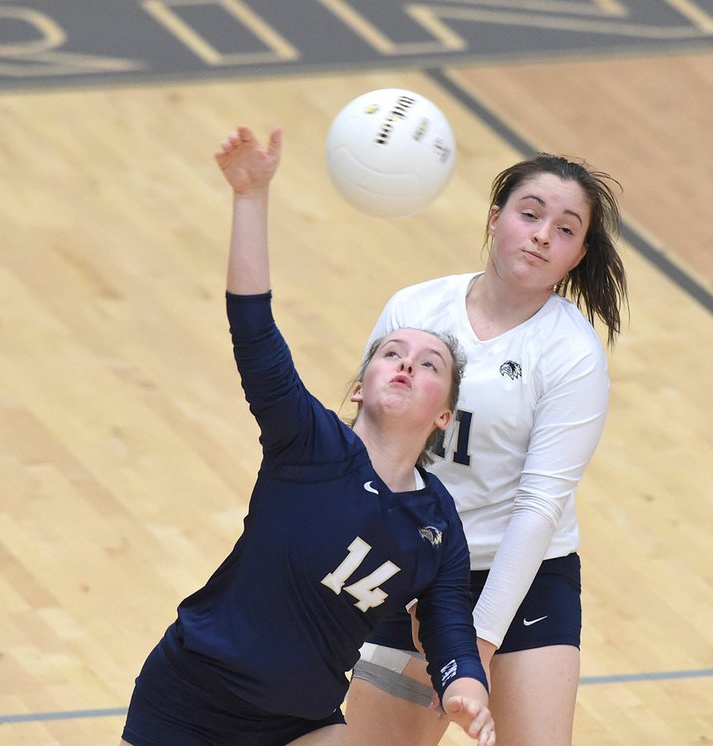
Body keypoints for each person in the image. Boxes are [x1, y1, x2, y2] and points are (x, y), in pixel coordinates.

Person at [118, 126, 496, 746]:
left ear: (442, 418)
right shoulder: (309, 445)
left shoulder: (438, 525)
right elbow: (254, 329)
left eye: (429, 365)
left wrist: (464, 687)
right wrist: (250, 199)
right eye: (391, 353)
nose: (405, 363)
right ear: (359, 387)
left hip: (301, 723)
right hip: (194, 696)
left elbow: (449, 627)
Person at [345, 152, 628, 745]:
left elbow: (540, 505)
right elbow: (364, 448)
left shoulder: (571, 354)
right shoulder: (415, 309)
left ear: (577, 255)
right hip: (411, 569)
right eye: (530, 214)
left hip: (523, 579)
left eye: (567, 229)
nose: (543, 234)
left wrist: (477, 639)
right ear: (496, 218)